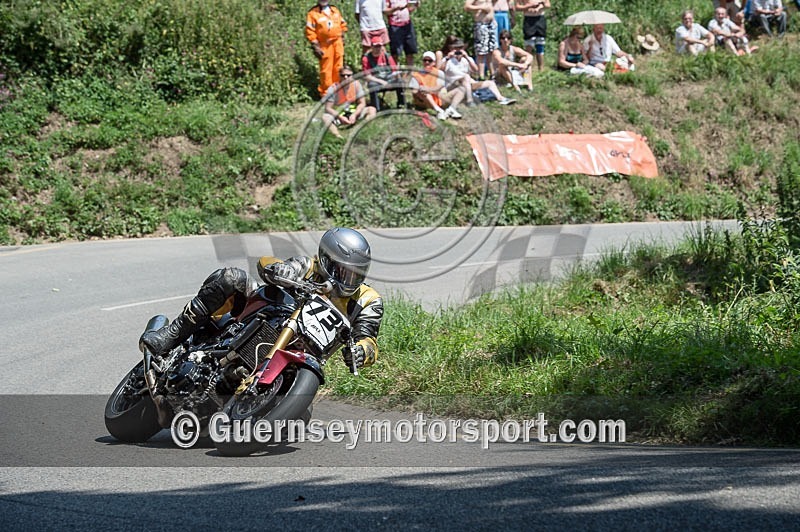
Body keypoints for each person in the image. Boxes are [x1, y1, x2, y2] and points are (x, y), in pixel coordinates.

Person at [140, 227, 384, 372]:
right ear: (327, 260)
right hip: (273, 320)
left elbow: (369, 338)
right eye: (344, 271)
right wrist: (280, 270)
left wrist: (362, 352)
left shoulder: (368, 300)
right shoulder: (308, 266)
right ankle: (171, 335)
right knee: (231, 278)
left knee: (296, 422)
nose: (350, 279)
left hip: (302, 358)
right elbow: (267, 263)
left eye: (357, 273)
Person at [443, 38, 516, 105]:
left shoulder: (467, 59)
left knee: (490, 83)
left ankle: (501, 98)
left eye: (460, 48)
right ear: (452, 49)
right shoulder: (448, 60)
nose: (458, 50)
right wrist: (447, 58)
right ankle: (470, 100)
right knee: (466, 77)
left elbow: (475, 70)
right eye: (456, 48)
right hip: (453, 85)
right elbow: (440, 70)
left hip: (468, 84)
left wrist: (467, 58)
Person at [305, 0, 348, 98]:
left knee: (339, 67)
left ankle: (339, 92)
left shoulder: (335, 10)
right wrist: (315, 46)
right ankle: (326, 95)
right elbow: (310, 32)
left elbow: (342, 25)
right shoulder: (312, 13)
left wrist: (342, 38)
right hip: (324, 45)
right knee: (326, 70)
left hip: (337, 43)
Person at [321, 66, 377, 138]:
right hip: (338, 116)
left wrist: (355, 114)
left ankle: (363, 130)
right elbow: (328, 108)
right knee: (325, 117)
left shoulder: (356, 85)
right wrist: (340, 117)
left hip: (354, 114)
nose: (346, 77)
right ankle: (337, 136)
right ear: (339, 76)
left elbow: (362, 103)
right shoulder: (333, 88)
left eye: (348, 75)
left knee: (372, 109)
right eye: (343, 75)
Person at [410, 50, 466, 119]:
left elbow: (440, 86)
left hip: (439, 99)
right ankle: (438, 111)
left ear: (433, 63)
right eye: (425, 60)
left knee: (462, 89)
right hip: (424, 101)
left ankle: (451, 109)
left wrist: (428, 89)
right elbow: (414, 91)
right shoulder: (416, 74)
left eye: (429, 60)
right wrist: (422, 90)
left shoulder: (439, 73)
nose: (427, 62)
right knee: (423, 91)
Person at [362, 36, 406, 111]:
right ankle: (376, 108)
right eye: (375, 46)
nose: (377, 49)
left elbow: (395, 71)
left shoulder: (387, 56)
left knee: (400, 82)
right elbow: (367, 76)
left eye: (379, 46)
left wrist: (397, 77)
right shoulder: (366, 58)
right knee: (372, 85)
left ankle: (401, 105)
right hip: (376, 81)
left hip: (389, 79)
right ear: (371, 47)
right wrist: (381, 82)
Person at [464, 0, 498, 80]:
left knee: (491, 51)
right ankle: (481, 75)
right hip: (481, 24)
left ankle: (492, 74)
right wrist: (481, 7)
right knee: (481, 51)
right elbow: (466, 7)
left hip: (491, 24)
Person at [384, 0, 419, 67]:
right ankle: (395, 74)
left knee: (410, 51)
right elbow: (385, 11)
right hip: (395, 26)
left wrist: (415, 5)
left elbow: (409, 9)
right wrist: (396, 8)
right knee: (395, 53)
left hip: (407, 25)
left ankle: (409, 74)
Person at [518, 0, 550, 72]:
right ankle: (526, 68)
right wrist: (529, 6)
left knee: (540, 44)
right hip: (529, 19)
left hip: (540, 18)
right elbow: (517, 7)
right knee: (529, 45)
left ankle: (541, 69)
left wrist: (540, 6)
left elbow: (548, 5)